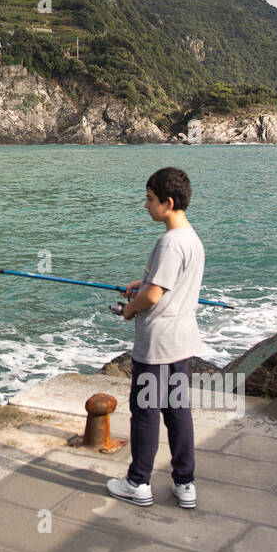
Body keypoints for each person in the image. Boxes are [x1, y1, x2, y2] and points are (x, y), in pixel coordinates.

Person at [106, 166, 206, 510]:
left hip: (157, 345)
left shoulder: (169, 242)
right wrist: (143, 284)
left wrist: (130, 308)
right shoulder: (192, 239)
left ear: (169, 202)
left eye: (150, 200)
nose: (145, 205)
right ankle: (185, 482)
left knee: (145, 412)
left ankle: (137, 482)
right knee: (178, 411)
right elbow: (163, 286)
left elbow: (153, 298)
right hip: (181, 343)